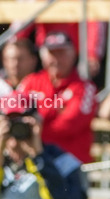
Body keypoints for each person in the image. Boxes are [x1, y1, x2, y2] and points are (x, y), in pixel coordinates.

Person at [16, 31, 97, 164]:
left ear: (73, 55)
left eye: (62, 53)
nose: (57, 59)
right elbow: (16, 115)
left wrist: (37, 123)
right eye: (52, 54)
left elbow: (69, 125)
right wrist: (55, 110)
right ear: (43, 56)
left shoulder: (86, 88)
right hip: (33, 160)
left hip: (70, 163)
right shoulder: (30, 82)